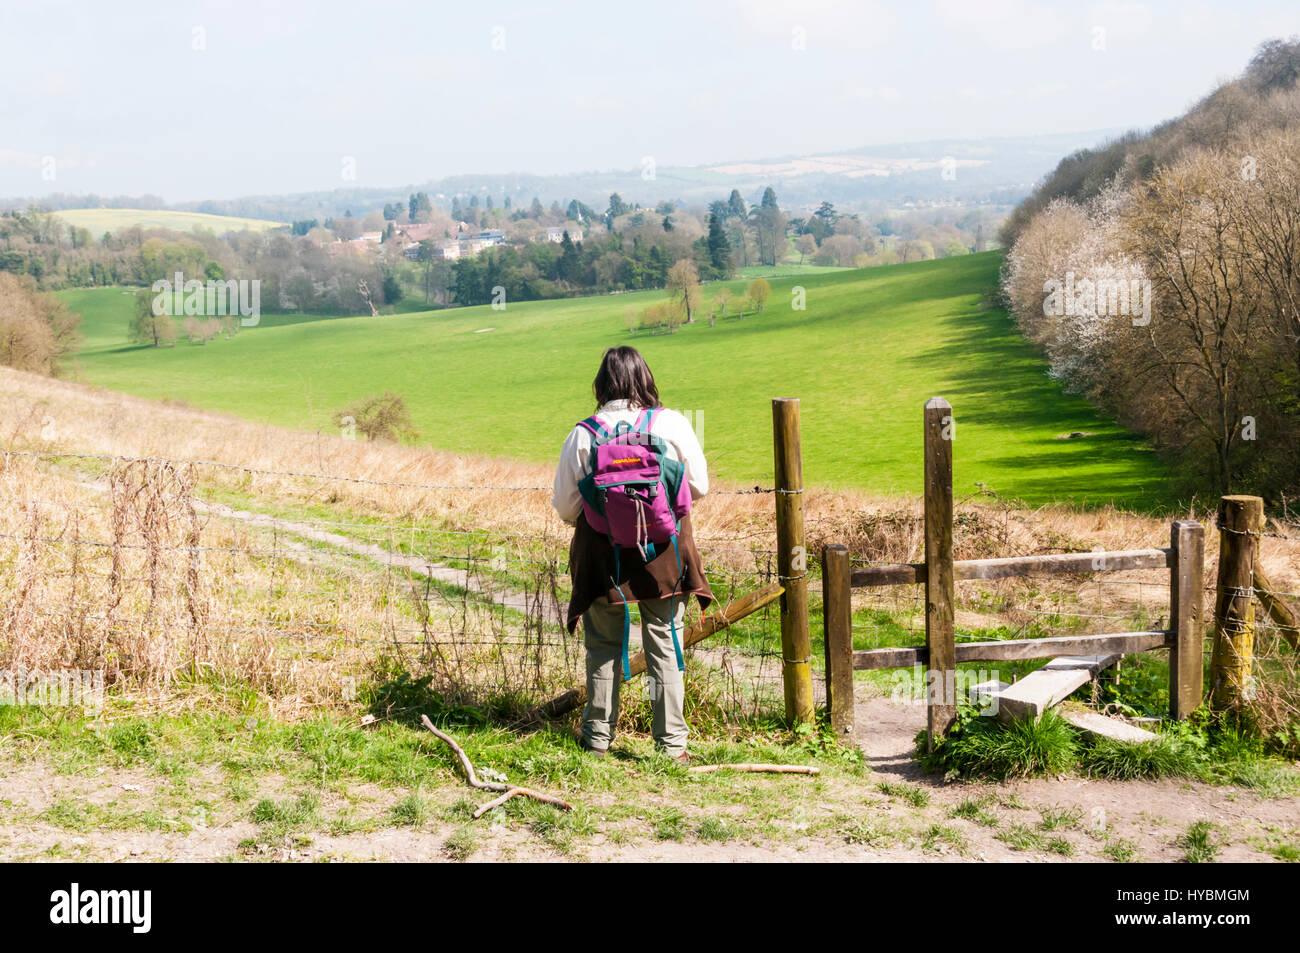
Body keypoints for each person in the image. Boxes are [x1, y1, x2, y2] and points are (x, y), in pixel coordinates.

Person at [552, 346, 712, 762]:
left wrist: (609, 518)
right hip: (664, 552)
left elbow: (567, 508)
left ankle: (597, 739)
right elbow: (698, 487)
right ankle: (672, 745)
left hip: (603, 557)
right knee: (665, 643)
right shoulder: (671, 423)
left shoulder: (582, 434)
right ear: (644, 378)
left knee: (603, 644)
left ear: (601, 385)